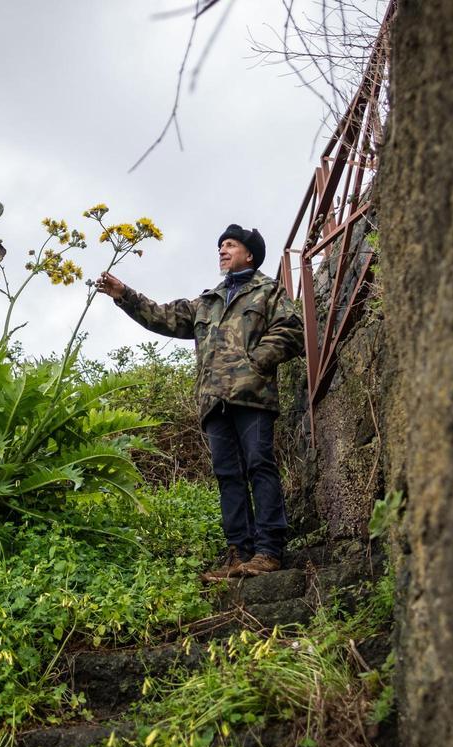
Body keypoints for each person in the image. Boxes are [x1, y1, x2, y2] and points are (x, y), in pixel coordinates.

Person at [96, 224, 305, 579]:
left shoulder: (268, 291)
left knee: (259, 465)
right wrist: (123, 294)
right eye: (220, 246)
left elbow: (291, 329)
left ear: (249, 255)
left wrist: (255, 363)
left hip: (251, 396)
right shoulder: (207, 301)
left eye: (230, 245)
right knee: (227, 475)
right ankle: (239, 553)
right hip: (213, 402)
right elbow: (163, 316)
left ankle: (269, 550)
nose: (222, 250)